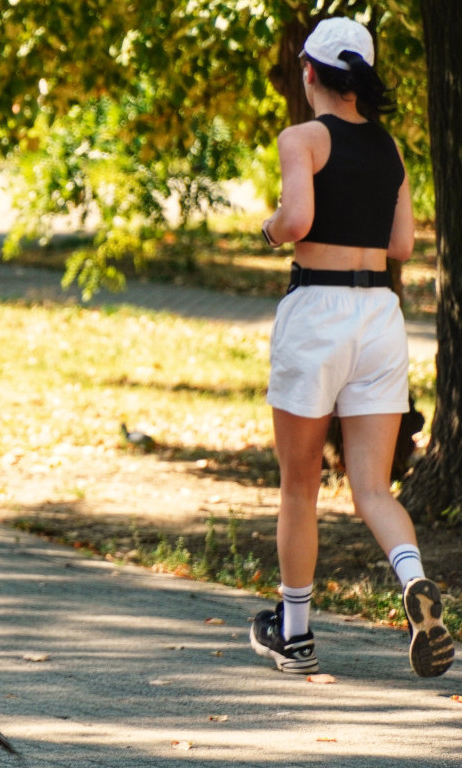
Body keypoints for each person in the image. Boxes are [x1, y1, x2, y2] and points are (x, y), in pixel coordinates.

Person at [253, 17, 453, 678]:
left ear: (308, 72)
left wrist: (271, 228)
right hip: (380, 316)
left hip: (317, 310)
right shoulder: (390, 149)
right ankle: (413, 583)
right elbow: (402, 247)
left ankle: (296, 634)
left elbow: (299, 220)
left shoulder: (302, 138)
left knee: (299, 483)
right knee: (372, 485)